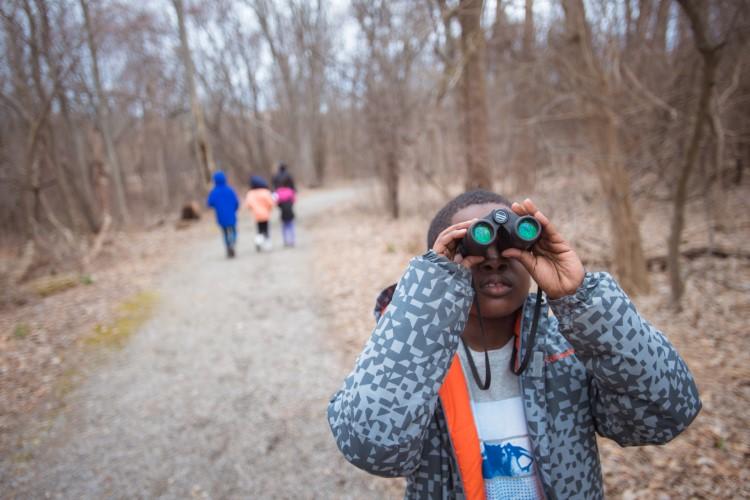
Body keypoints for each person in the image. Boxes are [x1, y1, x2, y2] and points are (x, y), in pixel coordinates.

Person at [327, 190, 701, 500]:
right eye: (467, 249)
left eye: (510, 247)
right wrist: (429, 296)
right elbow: (372, 448)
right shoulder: (411, 361)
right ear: (437, 266)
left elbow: (665, 414)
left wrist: (582, 300)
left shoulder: (568, 350)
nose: (492, 261)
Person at [206, 171, 239, 258]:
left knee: (224, 232)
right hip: (231, 214)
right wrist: (235, 208)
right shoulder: (230, 190)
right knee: (233, 229)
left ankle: (228, 245)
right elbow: (236, 202)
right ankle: (232, 241)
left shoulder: (214, 192)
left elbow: (209, 203)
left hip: (221, 215)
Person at [245, 175, 275, 252]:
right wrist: (269, 208)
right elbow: (271, 203)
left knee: (259, 229)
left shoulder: (250, 193)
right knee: (266, 229)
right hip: (265, 213)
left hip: (256, 214)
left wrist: (253, 209)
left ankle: (258, 241)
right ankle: (267, 244)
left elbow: (248, 204)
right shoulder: (265, 192)